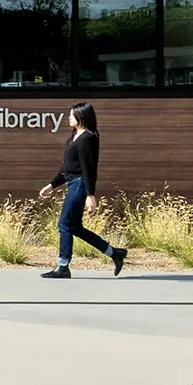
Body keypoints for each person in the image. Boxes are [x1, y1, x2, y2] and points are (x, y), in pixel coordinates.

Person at [41, 102, 126, 279]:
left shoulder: (88, 138)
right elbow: (67, 167)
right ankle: (114, 253)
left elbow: (89, 168)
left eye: (72, 115)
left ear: (81, 117)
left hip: (80, 184)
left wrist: (90, 194)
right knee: (75, 227)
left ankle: (63, 267)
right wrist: (52, 185)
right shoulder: (74, 136)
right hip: (72, 182)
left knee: (64, 224)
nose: (69, 117)